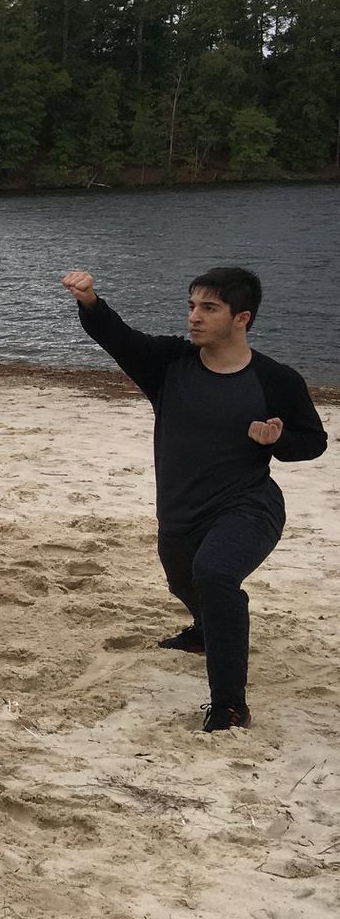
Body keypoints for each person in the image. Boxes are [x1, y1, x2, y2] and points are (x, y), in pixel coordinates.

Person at [62, 265, 327, 731]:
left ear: (241, 318)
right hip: (181, 510)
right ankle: (206, 633)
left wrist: (277, 442)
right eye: (191, 306)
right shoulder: (169, 365)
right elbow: (119, 338)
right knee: (184, 581)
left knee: (215, 574)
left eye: (209, 308)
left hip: (249, 504)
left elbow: (312, 442)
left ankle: (229, 705)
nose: (194, 318)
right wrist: (89, 300)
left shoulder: (275, 379)